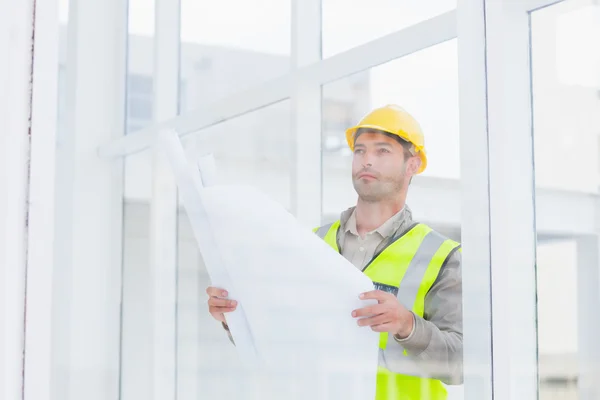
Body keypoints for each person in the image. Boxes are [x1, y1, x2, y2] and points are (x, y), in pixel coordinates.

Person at [206, 105, 463, 400]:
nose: (367, 160)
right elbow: (279, 340)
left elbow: (460, 365)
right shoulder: (311, 243)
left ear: (412, 164)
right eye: (360, 151)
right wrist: (233, 317)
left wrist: (407, 325)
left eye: (382, 151)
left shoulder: (442, 256)